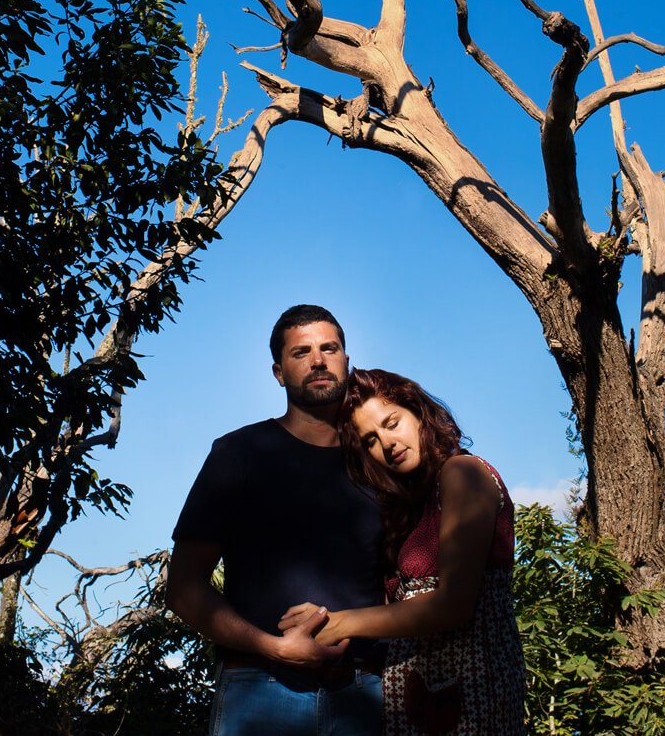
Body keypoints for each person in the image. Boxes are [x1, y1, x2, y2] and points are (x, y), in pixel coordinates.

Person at [168, 304, 387, 735]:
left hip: (366, 690)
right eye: (301, 352)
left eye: (330, 348)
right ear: (278, 372)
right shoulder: (238, 453)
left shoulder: (380, 459)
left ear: (347, 360)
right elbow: (183, 587)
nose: (318, 360)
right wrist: (275, 648)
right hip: (261, 687)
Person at [280, 368, 526, 736]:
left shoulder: (463, 473)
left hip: (472, 694)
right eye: (370, 440)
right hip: (412, 697)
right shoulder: (408, 510)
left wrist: (340, 623)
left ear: (417, 412)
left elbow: (454, 605)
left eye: (392, 423)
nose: (387, 442)